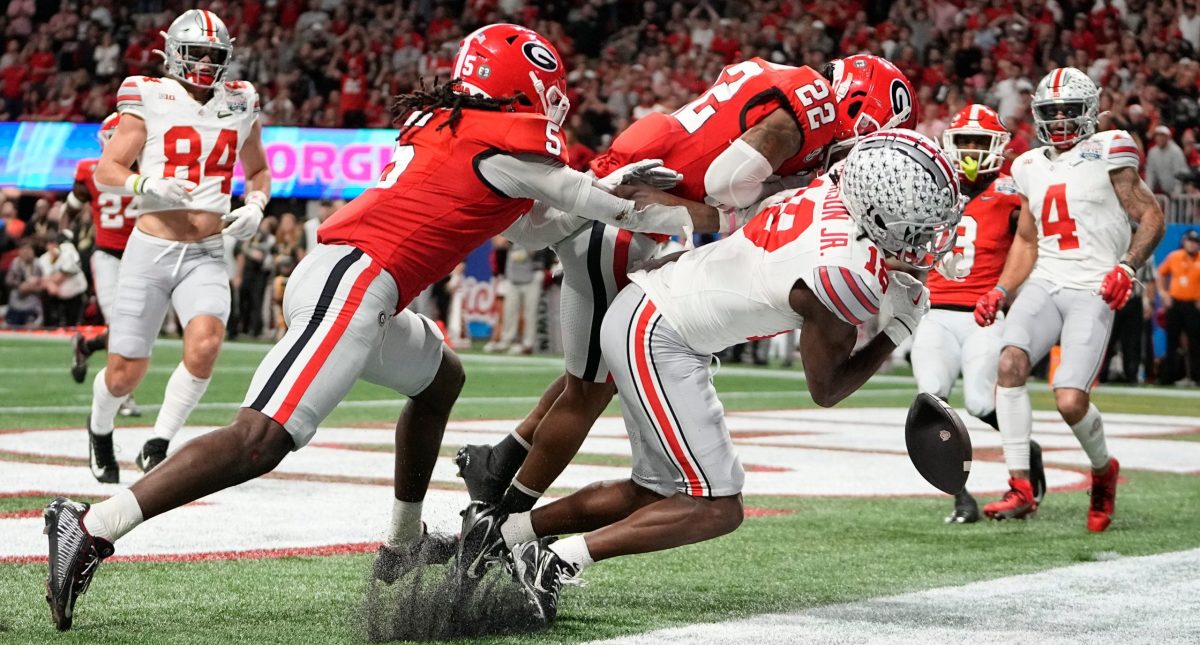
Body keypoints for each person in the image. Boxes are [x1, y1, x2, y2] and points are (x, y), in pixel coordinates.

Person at [43, 22, 693, 632]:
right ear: (516, 89)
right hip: (355, 276)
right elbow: (587, 204)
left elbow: (541, 222)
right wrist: (690, 213)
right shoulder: (500, 147)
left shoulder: (463, 135)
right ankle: (93, 523)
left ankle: (400, 544)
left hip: (361, 281)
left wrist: (608, 196)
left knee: (441, 378)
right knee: (260, 439)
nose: (553, 106)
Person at [464, 129, 962, 622]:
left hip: (654, 308)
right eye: (920, 221)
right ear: (878, 208)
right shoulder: (844, 278)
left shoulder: (830, 188)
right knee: (717, 506)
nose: (926, 234)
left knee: (657, 490)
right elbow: (826, 388)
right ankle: (552, 563)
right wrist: (898, 327)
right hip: (661, 333)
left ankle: (501, 534)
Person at [456, 54, 919, 518]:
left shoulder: (787, 82)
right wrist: (745, 212)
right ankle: (499, 519)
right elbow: (727, 181)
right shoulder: (816, 107)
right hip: (623, 219)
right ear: (862, 109)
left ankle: (500, 460)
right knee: (589, 392)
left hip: (625, 207)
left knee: (599, 372)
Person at [83, 9, 271, 482]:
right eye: (197, 52)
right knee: (126, 371)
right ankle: (100, 428)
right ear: (173, 53)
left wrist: (257, 204)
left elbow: (259, 169)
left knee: (206, 346)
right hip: (151, 250)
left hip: (207, 250)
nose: (207, 62)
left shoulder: (241, 99)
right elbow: (106, 170)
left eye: (215, 54)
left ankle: (160, 440)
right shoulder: (148, 94)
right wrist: (144, 183)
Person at [974, 67, 1165, 531]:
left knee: (1069, 400)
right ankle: (1020, 485)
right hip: (1046, 280)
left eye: (1069, 110)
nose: (1060, 119)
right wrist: (1002, 288)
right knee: (1009, 365)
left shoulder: (1108, 148)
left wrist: (1126, 266)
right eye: (1051, 111)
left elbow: (1151, 215)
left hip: (1094, 286)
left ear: (1090, 111)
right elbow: (1025, 241)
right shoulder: (1027, 165)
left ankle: (1103, 470)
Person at [916, 104, 1045, 524]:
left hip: (982, 315)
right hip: (935, 313)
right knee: (931, 403)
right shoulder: (932, 188)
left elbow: (1030, 248)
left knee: (976, 401)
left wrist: (1007, 293)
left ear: (998, 147)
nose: (970, 150)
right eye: (964, 141)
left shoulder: (1011, 194)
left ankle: (1025, 448)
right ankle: (961, 497)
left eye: (979, 142)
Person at [65, 113, 142, 416]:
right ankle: (122, 395)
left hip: (142, 255)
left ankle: (86, 346)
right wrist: (64, 237)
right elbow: (71, 206)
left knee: (137, 329)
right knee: (122, 326)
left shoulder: (152, 169)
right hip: (108, 255)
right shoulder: (90, 171)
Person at [1156, 229, 1200, 385]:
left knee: (1195, 342)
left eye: (1195, 242)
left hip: (1194, 306)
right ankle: (1168, 377)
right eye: (1190, 241)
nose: (1192, 244)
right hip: (1175, 303)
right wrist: (1163, 293)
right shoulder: (1174, 257)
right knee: (1171, 341)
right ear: (1184, 242)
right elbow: (1160, 273)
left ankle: (1196, 377)